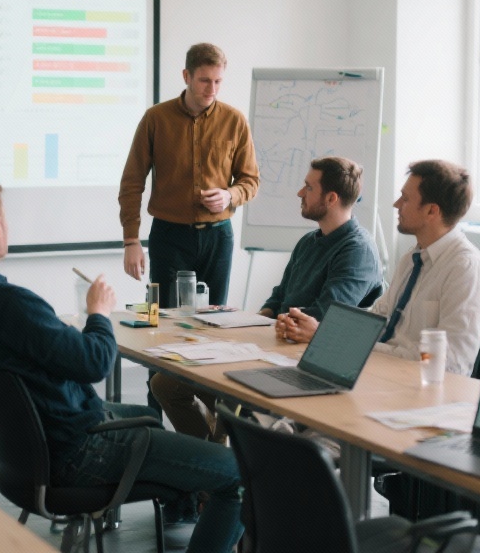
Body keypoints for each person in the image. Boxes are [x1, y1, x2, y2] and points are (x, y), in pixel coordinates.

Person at [0, 179, 242, 553]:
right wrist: (98, 313)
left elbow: (22, 361)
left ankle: (182, 501)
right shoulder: (12, 305)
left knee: (146, 415)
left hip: (23, 456)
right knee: (239, 475)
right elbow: (95, 362)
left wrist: (56, 333)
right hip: (78, 451)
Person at [151, 156, 383, 440]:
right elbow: (279, 297)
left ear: (331, 198)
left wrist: (276, 322)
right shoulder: (310, 241)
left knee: (233, 399)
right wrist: (245, 321)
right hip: (274, 346)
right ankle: (213, 460)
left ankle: (223, 467)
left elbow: (323, 318)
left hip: (299, 360)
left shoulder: (356, 251)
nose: (300, 193)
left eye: (308, 188)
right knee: (165, 383)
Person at [279, 159, 480, 376]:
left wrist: (326, 336)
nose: (396, 204)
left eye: (405, 199)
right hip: (381, 376)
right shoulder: (413, 258)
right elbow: (378, 320)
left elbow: (448, 366)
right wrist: (325, 334)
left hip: (415, 392)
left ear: (431, 211)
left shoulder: (466, 271)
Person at [118, 42, 259, 307]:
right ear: (187, 76)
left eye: (218, 81)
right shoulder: (156, 119)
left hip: (218, 238)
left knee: (214, 322)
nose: (212, 90)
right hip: (169, 236)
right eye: (205, 81)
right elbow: (132, 182)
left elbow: (251, 180)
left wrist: (230, 195)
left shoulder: (235, 121)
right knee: (165, 321)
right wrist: (131, 240)